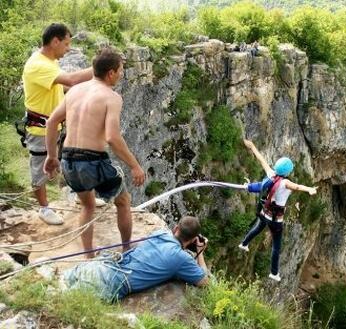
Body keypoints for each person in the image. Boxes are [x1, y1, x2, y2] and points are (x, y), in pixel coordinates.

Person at [44, 47, 145, 258]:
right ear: (111, 73)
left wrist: (52, 156)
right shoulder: (111, 97)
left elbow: (52, 121)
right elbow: (112, 137)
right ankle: (127, 248)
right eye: (120, 70)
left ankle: (89, 255)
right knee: (123, 201)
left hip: (69, 160)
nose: (122, 74)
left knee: (88, 205)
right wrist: (135, 166)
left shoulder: (75, 90)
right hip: (92, 161)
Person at [22, 23, 94, 225]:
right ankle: (44, 209)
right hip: (40, 128)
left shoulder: (49, 61)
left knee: (69, 160)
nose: (68, 48)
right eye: (66, 43)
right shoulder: (37, 65)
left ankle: (78, 196)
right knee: (40, 166)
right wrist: (99, 67)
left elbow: (58, 87)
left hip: (55, 125)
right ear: (55, 41)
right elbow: (70, 79)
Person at [63, 216, 209, 301]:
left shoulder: (159, 233)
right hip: (111, 282)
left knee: (56, 291)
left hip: (100, 265)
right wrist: (200, 252)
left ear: (176, 228)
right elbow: (205, 282)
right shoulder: (181, 258)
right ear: (192, 239)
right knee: (66, 303)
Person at [238, 140, 317, 282]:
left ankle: (244, 244)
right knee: (276, 246)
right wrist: (310, 189)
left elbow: (261, 159)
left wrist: (252, 146)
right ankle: (274, 273)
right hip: (275, 220)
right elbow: (298, 187)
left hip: (264, 212)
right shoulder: (285, 183)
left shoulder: (270, 174)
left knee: (258, 228)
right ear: (287, 172)